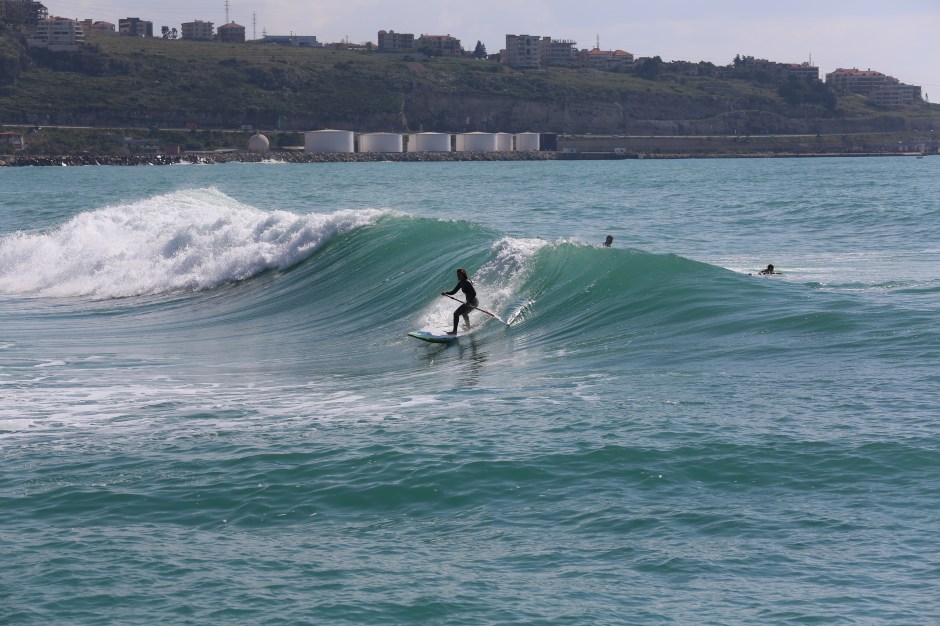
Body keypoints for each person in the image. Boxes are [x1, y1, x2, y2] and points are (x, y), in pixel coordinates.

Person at [442, 268, 478, 335]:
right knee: (464, 313)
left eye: (460, 274)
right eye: (457, 274)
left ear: (463, 274)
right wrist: (446, 292)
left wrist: (468, 302)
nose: (458, 276)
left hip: (473, 302)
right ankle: (469, 327)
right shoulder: (461, 283)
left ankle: (454, 331)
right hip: (469, 302)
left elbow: (474, 293)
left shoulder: (467, 282)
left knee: (456, 313)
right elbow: (453, 292)